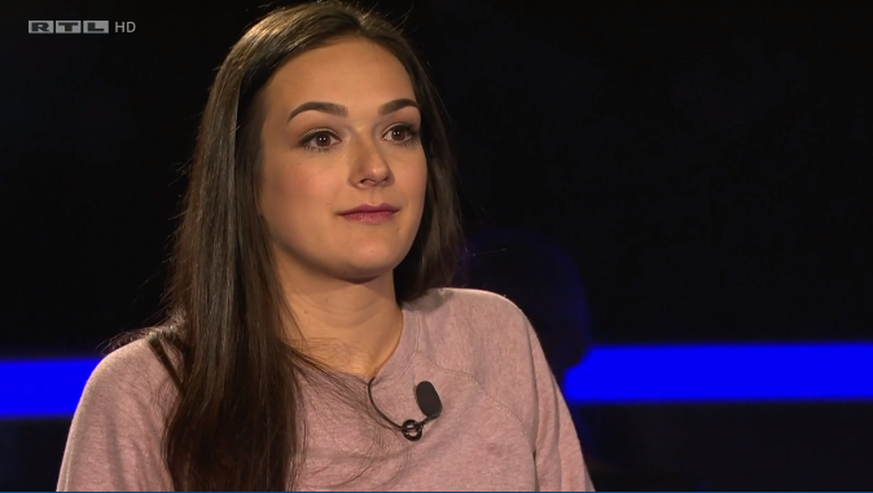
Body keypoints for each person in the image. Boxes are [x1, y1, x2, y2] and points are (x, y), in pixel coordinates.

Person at [56, 1, 593, 490]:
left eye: (399, 132)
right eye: (322, 138)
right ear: (247, 179)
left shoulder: (494, 339)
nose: (375, 168)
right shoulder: (150, 396)